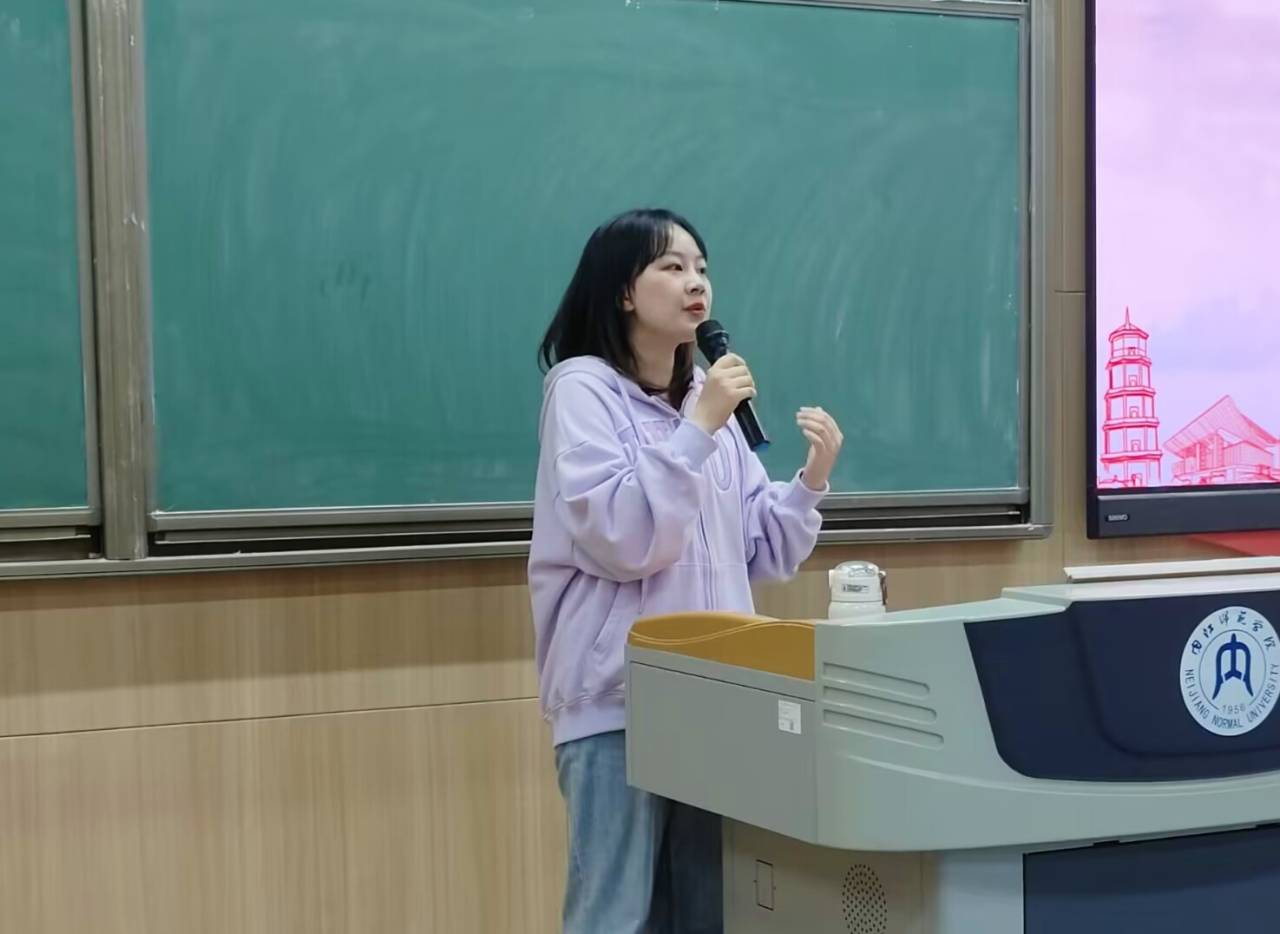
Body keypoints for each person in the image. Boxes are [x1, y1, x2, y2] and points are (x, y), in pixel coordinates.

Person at [528, 208, 843, 933]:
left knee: (713, 912)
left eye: (701, 267)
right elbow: (623, 536)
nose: (695, 282)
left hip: (717, 698)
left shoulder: (708, 401)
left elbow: (762, 550)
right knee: (615, 915)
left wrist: (811, 482)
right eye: (671, 267)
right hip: (618, 701)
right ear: (623, 292)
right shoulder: (582, 391)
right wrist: (699, 427)